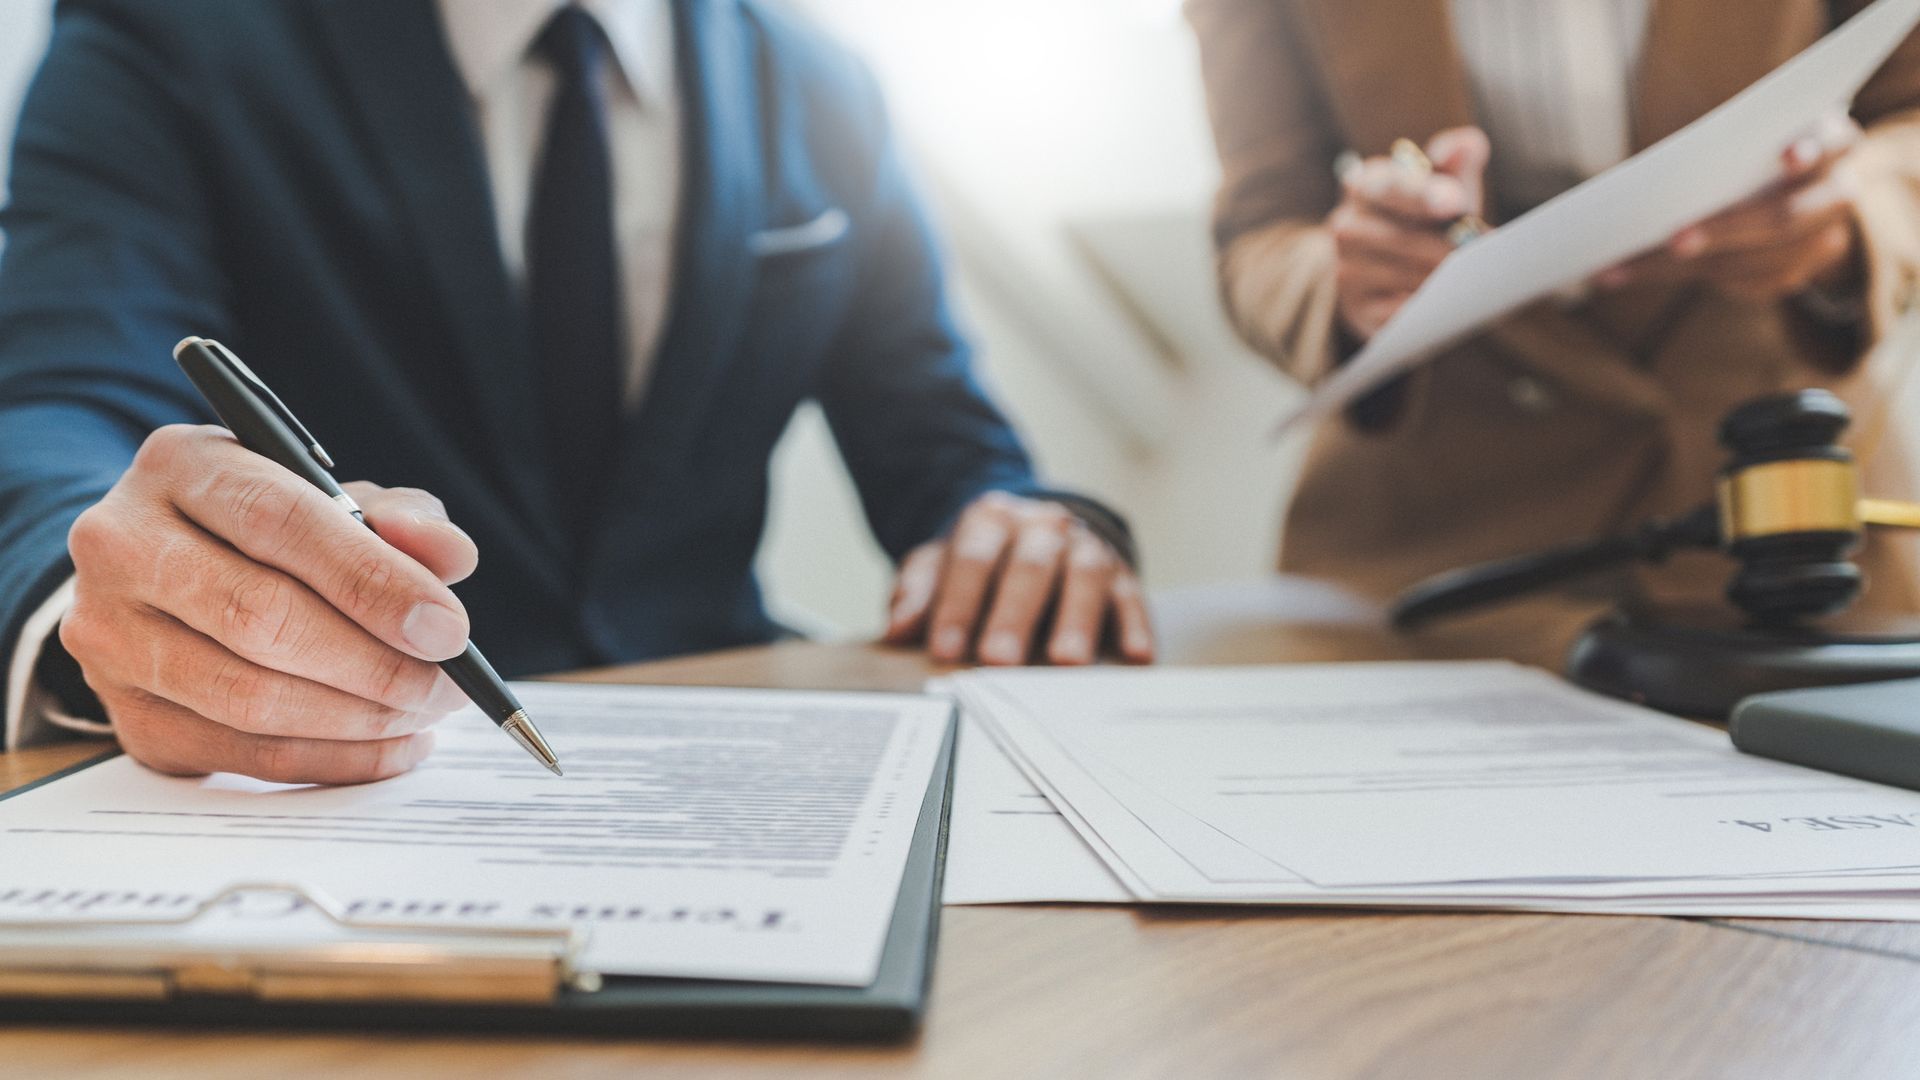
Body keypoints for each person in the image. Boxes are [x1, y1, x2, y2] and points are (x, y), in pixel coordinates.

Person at [0, 0, 1154, 784]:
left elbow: (947, 451)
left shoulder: (824, 80)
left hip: (731, 763)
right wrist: (96, 599)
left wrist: (1028, 529)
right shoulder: (168, 31)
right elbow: (62, 395)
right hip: (342, 785)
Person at [1186, 0, 1920, 651]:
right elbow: (1262, 226)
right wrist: (1347, 281)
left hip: (1785, 526)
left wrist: (1850, 216)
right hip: (1433, 542)